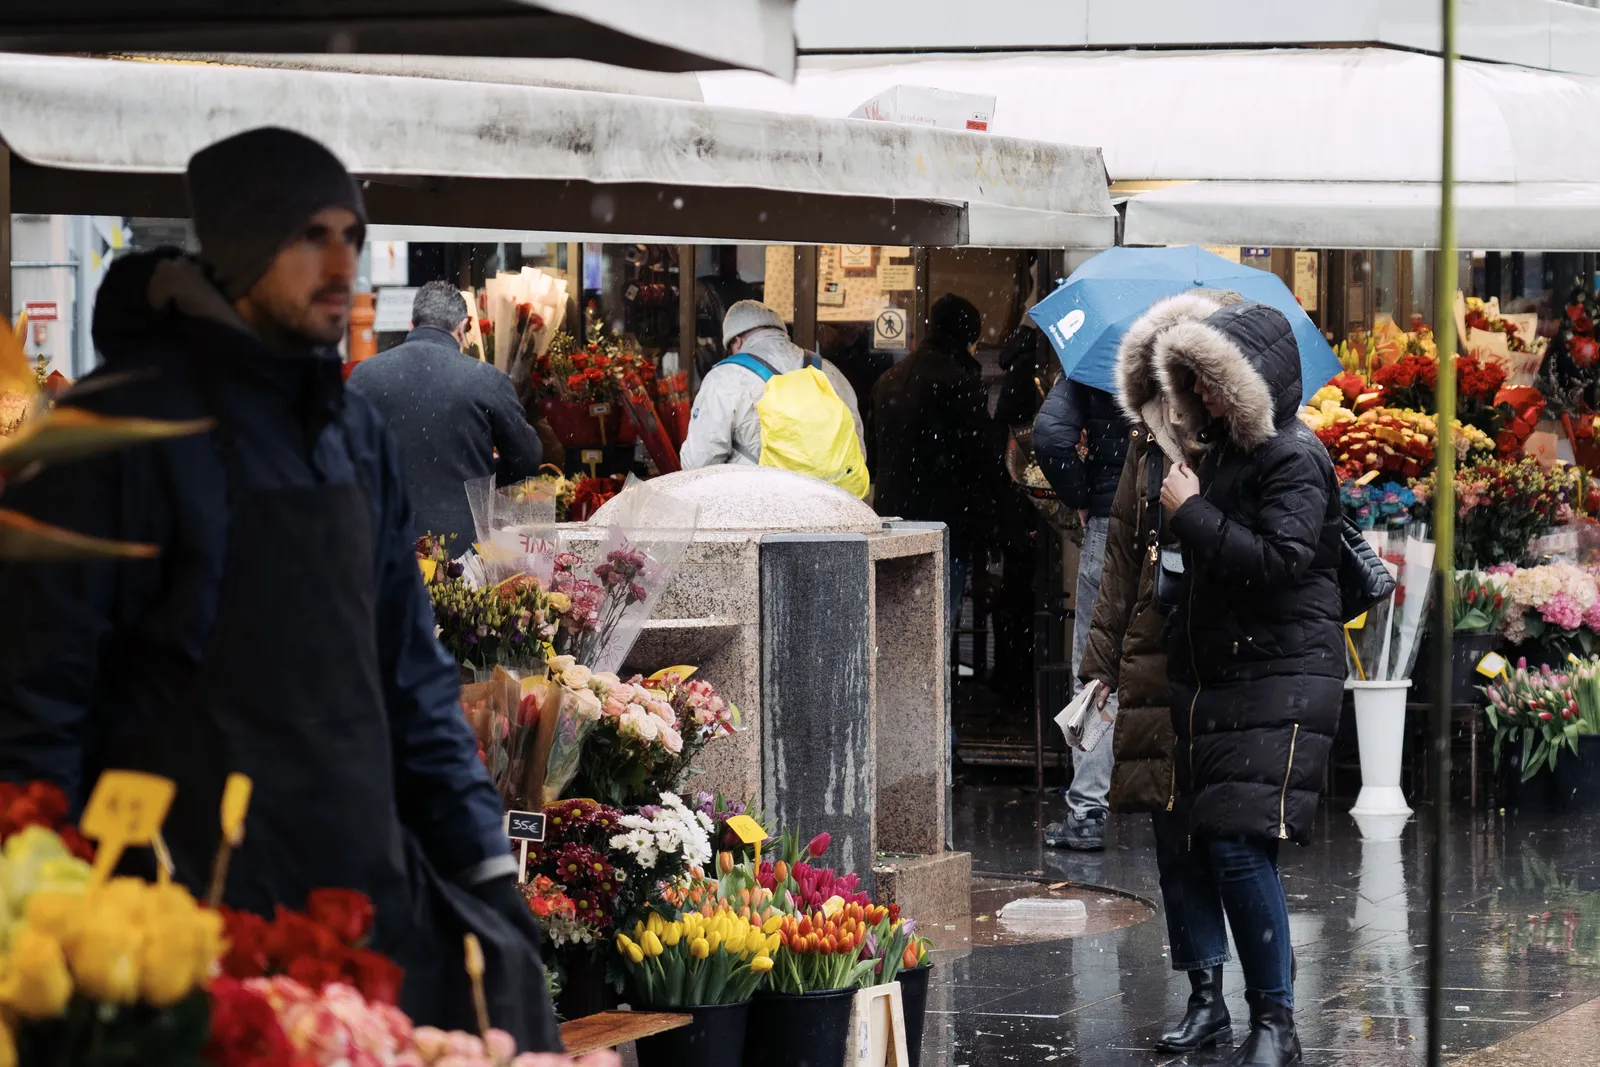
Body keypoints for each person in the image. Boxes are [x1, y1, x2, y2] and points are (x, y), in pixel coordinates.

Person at [0, 128, 559, 1048]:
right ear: (239, 248)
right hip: (178, 936)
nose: (343, 262)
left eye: (354, 232)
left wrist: (486, 867)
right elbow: (36, 705)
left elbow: (413, 681)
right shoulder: (106, 439)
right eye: (310, 235)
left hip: (360, 915)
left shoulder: (349, 432)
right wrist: (56, 934)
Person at [1154, 300, 1343, 1067]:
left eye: (1210, 382)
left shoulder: (1294, 456)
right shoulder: (1225, 451)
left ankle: (1277, 1023)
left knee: (1239, 843)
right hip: (1225, 676)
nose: (1199, 396)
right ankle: (1242, 1012)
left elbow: (1279, 561)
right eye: (1192, 381)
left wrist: (1193, 513)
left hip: (1282, 674)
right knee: (1204, 838)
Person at [1075, 290, 1246, 1054]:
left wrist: (1201, 501)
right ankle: (1205, 990)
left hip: (1223, 656)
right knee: (1172, 836)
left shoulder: (1243, 440)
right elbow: (1120, 552)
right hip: (1154, 651)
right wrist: (1100, 663)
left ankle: (1265, 994)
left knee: (1228, 837)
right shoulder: (1145, 442)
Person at [349, 280, 543, 549]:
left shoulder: (365, 377)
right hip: (462, 547)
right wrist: (484, 480)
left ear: (411, 324)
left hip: (382, 539)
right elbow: (527, 458)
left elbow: (341, 456)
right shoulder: (485, 379)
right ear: (463, 327)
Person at [1033, 373, 1131, 850]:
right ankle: (1181, 804)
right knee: (1174, 664)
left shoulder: (1103, 351)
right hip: (1181, 525)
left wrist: (1083, 495)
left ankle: (1088, 812)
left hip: (1111, 523)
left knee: (1097, 673)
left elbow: (1050, 436)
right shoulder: (1194, 341)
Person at [871, 294, 1002, 633]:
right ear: (966, 336)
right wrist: (984, 544)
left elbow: (875, 454)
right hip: (944, 527)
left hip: (892, 523)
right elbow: (980, 467)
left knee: (894, 630)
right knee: (937, 633)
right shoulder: (962, 383)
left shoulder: (888, 380)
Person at [680, 299, 865, 470]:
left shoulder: (725, 376)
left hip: (757, 501)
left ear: (737, 341)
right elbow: (856, 450)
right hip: (826, 499)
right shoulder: (829, 372)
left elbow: (698, 463)